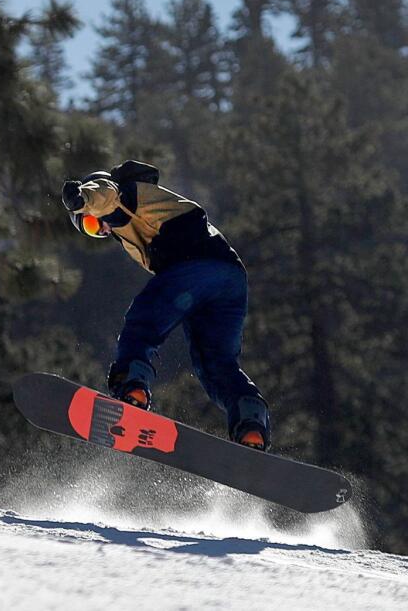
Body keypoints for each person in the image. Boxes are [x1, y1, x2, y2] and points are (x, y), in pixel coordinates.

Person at [61, 160, 271, 451]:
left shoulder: (127, 195)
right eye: (92, 230)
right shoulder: (131, 230)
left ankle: (131, 385)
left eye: (93, 222)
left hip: (197, 265)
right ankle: (251, 426)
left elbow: (106, 193)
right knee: (215, 363)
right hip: (228, 280)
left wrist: (82, 199)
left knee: (144, 319)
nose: (103, 230)